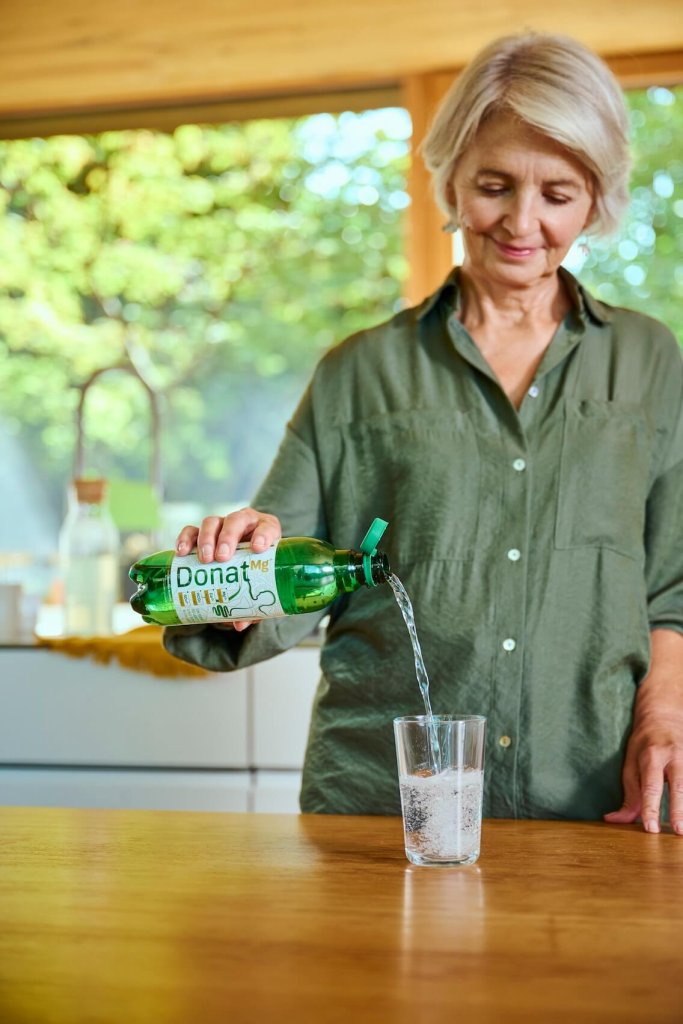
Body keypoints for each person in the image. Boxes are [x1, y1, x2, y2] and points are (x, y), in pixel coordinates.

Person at [164, 31, 683, 833]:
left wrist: (665, 718)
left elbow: (670, 588)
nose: (520, 221)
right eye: (493, 185)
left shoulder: (648, 360)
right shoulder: (357, 372)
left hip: (592, 796)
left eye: (557, 194)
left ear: (595, 199)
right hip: (381, 806)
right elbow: (285, 579)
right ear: (448, 180)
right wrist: (231, 571)